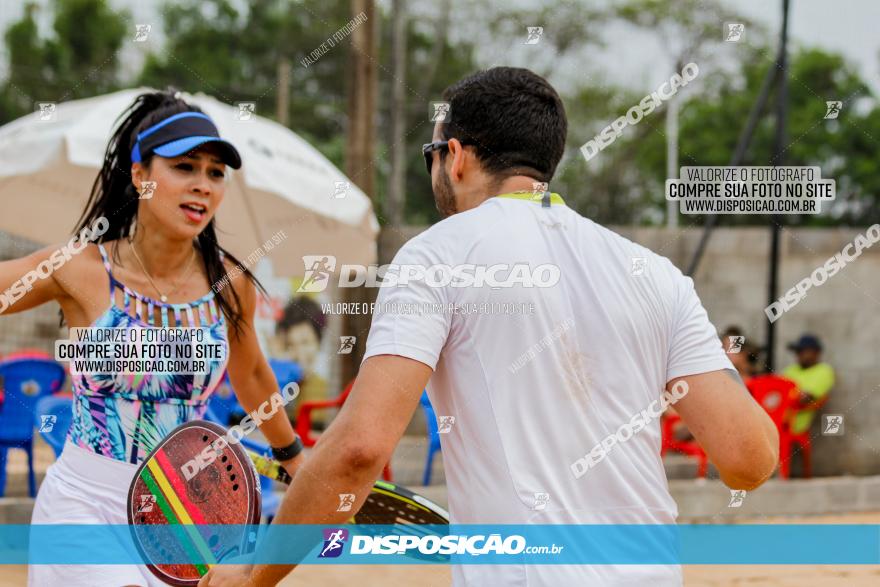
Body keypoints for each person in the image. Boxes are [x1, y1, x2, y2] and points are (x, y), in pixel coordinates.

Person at [201, 67, 778, 587]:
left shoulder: (436, 257)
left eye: (430, 154)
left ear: (456, 156)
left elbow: (359, 448)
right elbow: (750, 458)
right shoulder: (655, 275)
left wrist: (255, 577)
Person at [0, 90, 305, 587]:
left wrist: (292, 456)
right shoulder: (81, 270)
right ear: (141, 175)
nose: (203, 185)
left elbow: (249, 372)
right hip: (85, 503)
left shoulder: (231, 282)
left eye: (215, 173)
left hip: (185, 511)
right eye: (185, 167)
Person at [270, 297, 329, 425]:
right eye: (290, 345)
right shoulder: (274, 386)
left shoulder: (326, 392)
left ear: (319, 342)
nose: (298, 354)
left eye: (305, 342)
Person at [783, 334, 835, 435]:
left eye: (802, 351)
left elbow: (805, 398)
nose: (799, 354)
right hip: (776, 423)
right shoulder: (790, 370)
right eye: (798, 351)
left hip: (796, 431)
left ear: (816, 353)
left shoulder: (824, 371)